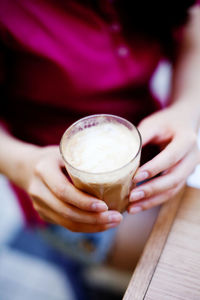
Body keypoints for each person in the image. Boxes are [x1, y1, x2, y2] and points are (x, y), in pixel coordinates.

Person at [0, 0, 200, 271]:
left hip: (152, 145)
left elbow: (193, 21)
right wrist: (22, 165)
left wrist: (184, 108)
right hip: (59, 191)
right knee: (187, 259)